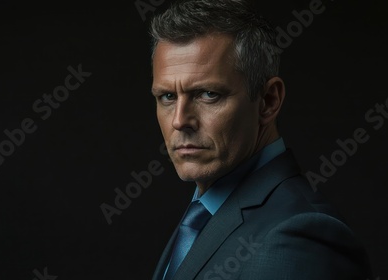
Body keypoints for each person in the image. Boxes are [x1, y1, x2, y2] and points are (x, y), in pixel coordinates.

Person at [148, 0, 373, 279]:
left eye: (208, 94)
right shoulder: (204, 213)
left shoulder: (298, 235)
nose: (179, 120)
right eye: (167, 97)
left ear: (268, 101)